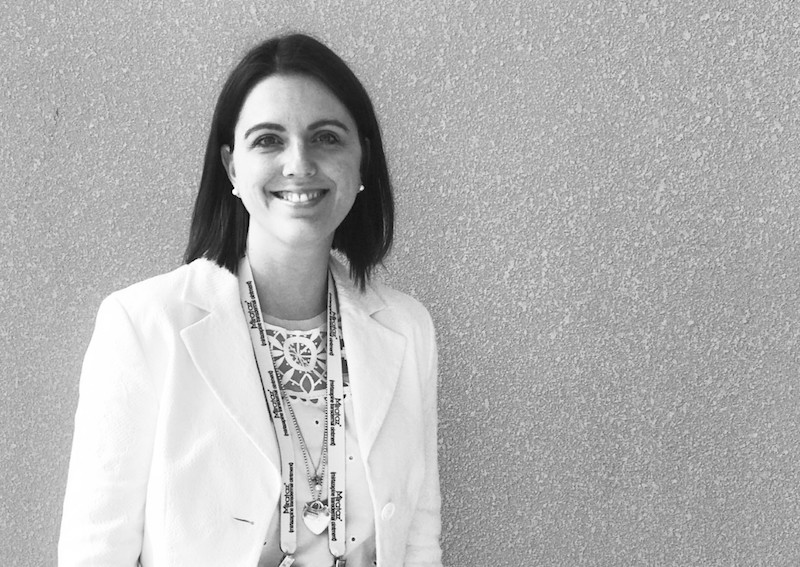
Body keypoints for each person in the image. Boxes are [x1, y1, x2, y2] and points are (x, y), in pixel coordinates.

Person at [58, 33, 442, 567]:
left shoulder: (407, 326)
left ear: (363, 162)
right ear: (232, 166)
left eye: (326, 137)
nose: (299, 163)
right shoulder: (144, 324)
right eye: (268, 140)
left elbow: (419, 538)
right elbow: (95, 551)